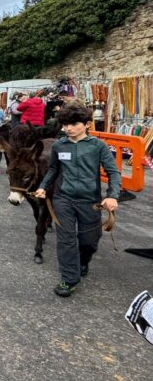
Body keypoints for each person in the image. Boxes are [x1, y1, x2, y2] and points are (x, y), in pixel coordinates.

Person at [34, 105, 120, 298]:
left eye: (73, 124)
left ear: (87, 124)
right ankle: (69, 279)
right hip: (63, 198)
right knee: (66, 239)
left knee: (89, 241)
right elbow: (54, 170)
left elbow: (113, 172)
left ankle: (82, 262)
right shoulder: (59, 146)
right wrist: (43, 186)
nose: (68, 128)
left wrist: (113, 195)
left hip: (90, 200)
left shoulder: (98, 146)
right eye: (65, 124)